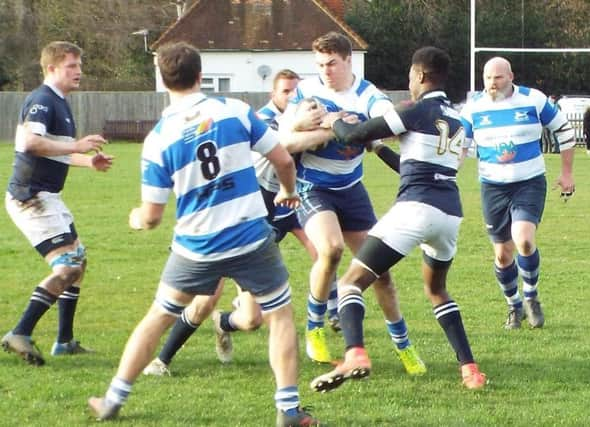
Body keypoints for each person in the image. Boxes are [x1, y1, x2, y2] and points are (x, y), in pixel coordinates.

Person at [87, 42, 321, 427]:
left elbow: (151, 218)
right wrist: (289, 192)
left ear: (163, 81)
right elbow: (281, 159)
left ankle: (113, 399)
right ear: (200, 75)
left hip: (197, 247)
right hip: (249, 237)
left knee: (157, 317)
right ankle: (288, 410)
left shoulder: (158, 139)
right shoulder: (235, 110)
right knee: (279, 316)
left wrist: (134, 219)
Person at [309, 46, 486, 393]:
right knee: (437, 290)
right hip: (449, 214)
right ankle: (470, 370)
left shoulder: (416, 110)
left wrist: (334, 122)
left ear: (420, 75)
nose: (409, 82)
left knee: (350, 283)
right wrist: (381, 151)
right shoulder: (455, 119)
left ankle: (355, 353)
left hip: (416, 209)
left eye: (409, 76)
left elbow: (353, 135)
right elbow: (414, 165)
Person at [142, 69, 339, 376]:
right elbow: (285, 144)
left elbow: (304, 143)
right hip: (236, 213)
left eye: (295, 93)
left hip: (279, 210)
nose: (292, 97)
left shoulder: (301, 120)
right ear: (273, 94)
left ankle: (225, 323)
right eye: (285, 91)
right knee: (206, 299)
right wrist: (333, 129)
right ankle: (161, 360)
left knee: (252, 318)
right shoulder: (260, 118)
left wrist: (332, 126)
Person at [277, 31, 425, 374]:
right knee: (330, 250)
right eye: (320, 65)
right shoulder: (306, 93)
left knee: (381, 274)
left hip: (352, 189)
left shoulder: (368, 94)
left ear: (348, 61)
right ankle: (314, 327)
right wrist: (335, 128)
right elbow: (284, 142)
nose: (325, 71)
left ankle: (404, 345)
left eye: (331, 63)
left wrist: (348, 125)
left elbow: (383, 127)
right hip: (313, 186)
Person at [2, 41, 113, 366]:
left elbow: (58, 149)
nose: (79, 71)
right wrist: (79, 145)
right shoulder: (42, 100)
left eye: (79, 65)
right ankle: (19, 332)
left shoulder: (60, 102)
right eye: (71, 66)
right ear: (51, 68)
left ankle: (64, 340)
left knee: (80, 262)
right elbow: (30, 143)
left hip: (48, 196)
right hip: (31, 198)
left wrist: (86, 161)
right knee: (68, 268)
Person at [460, 57, 576, 330]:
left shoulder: (533, 99)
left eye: (498, 77)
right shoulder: (474, 107)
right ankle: (513, 305)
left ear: (510, 76)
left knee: (523, 240)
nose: (492, 83)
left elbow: (564, 130)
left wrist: (567, 173)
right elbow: (460, 147)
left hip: (529, 182)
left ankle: (531, 296)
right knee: (502, 255)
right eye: (488, 78)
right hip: (492, 187)